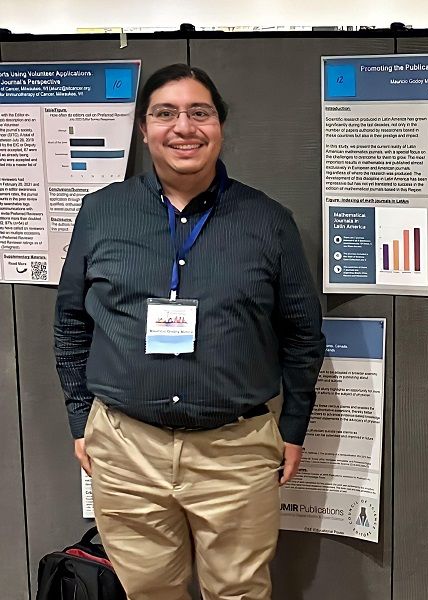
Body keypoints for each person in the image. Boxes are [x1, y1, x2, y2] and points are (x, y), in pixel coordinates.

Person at [54, 63, 325, 600]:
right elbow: (71, 322)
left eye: (199, 112)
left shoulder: (267, 220)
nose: (183, 127)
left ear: (219, 125)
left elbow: (302, 334)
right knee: (149, 592)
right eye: (165, 113)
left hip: (236, 451)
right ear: (143, 128)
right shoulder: (102, 212)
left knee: (240, 593)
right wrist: (81, 419)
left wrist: (293, 427)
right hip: (125, 448)